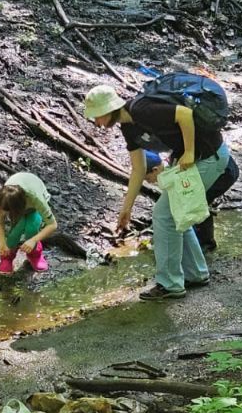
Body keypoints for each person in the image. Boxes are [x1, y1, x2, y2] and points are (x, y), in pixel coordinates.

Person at [84, 84, 231, 300]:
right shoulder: (128, 127)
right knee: (174, 212)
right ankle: (196, 274)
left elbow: (184, 114)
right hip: (195, 160)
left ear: (108, 109)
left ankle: (170, 284)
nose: (96, 123)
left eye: (96, 116)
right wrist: (126, 210)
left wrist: (189, 152)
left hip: (209, 157)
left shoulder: (141, 109)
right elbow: (138, 169)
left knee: (164, 214)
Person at [0, 172, 58, 273]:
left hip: (33, 206)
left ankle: (35, 254)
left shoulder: (36, 199)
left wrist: (33, 240)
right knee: (17, 229)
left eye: (8, 212)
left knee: (32, 226)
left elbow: (53, 225)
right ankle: (7, 257)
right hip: (18, 204)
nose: (3, 213)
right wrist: (2, 244)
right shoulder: (2, 200)